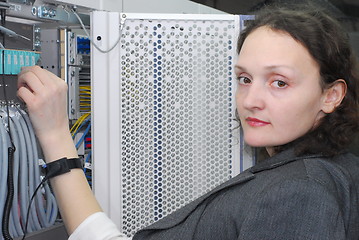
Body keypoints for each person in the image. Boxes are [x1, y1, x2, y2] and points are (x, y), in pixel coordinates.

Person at [17, 3, 359, 240]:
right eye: (244, 78)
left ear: (331, 95)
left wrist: (56, 134)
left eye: (279, 82)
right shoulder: (325, 166)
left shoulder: (298, 192)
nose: (251, 100)